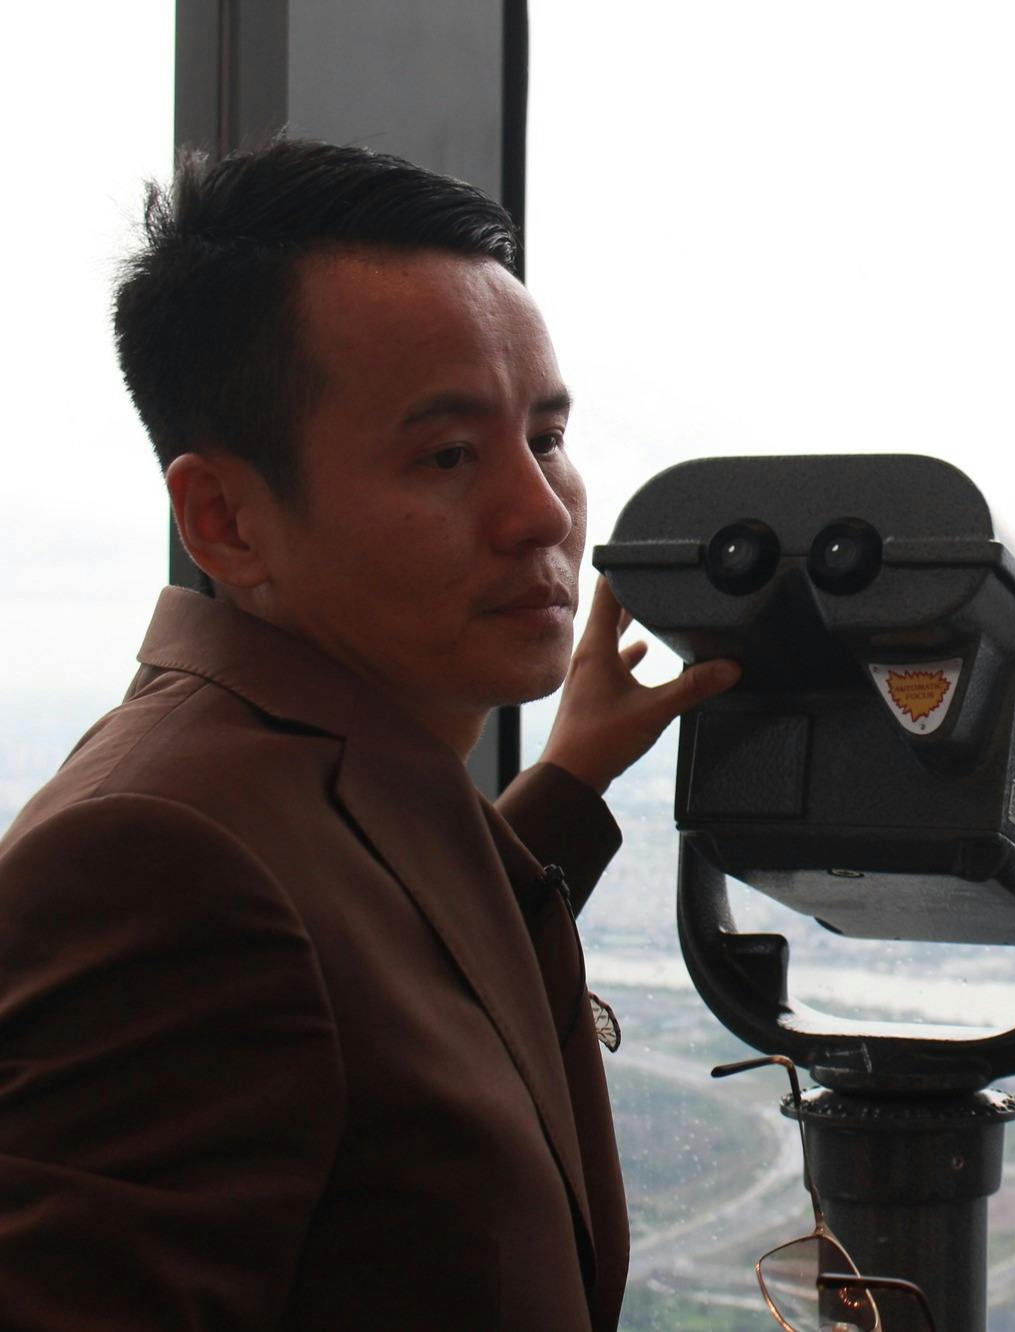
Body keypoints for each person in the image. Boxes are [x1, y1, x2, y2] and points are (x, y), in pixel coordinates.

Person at [0, 138, 737, 1329]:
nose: (539, 513)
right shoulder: (156, 867)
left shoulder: (291, 777)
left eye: (545, 437)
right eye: (447, 454)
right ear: (226, 519)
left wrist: (569, 778)